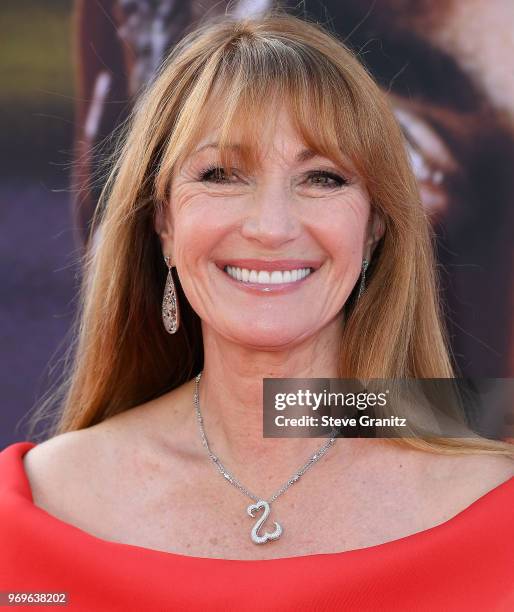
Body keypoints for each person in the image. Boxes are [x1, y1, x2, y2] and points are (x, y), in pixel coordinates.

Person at [1, 10, 513, 610]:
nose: (271, 227)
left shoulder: (494, 513)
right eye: (221, 174)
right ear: (163, 221)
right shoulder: (33, 514)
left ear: (376, 225)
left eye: (322, 178)